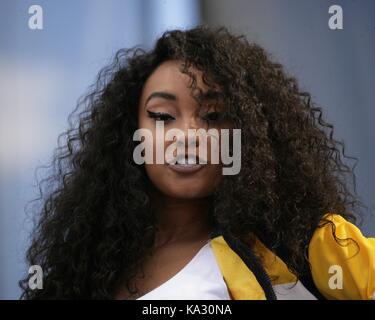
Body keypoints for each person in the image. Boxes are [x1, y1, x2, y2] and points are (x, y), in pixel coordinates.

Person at [20, 26, 375, 300]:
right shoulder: (87, 261)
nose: (188, 135)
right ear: (131, 134)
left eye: (213, 115)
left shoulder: (305, 244)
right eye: (162, 116)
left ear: (248, 132)